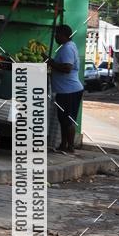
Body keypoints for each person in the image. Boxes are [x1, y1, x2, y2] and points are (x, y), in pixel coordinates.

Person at [47, 24, 84, 154]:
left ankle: (70, 147)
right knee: (63, 119)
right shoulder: (68, 46)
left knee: (68, 120)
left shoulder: (67, 48)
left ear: (63, 35)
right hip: (65, 91)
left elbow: (67, 68)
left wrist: (50, 62)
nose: (55, 36)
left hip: (70, 91)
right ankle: (64, 145)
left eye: (57, 34)